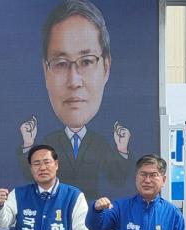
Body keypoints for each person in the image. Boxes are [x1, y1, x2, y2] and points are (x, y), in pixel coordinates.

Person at [17, 0, 132, 201]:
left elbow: (117, 177)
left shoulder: (100, 143)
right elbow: (31, 175)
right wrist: (28, 143)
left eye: (86, 62)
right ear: (46, 71)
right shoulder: (49, 142)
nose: (74, 81)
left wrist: (121, 148)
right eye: (61, 64)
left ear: (106, 67)